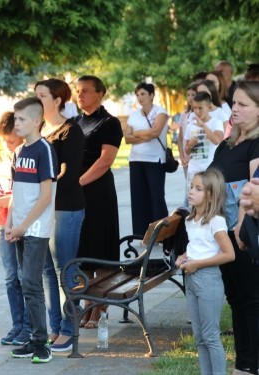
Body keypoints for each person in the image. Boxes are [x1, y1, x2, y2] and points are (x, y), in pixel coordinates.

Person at [209, 81, 259, 374]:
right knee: (237, 302)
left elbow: (253, 190)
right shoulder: (227, 144)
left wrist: (241, 228)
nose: (235, 109)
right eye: (234, 103)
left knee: (251, 301)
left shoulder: (256, 143)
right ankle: (243, 365)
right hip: (222, 234)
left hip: (242, 235)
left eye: (243, 104)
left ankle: (249, 366)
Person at [6, 97, 58, 363]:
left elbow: (46, 196)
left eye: (23, 119)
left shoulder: (44, 150)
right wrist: (9, 223)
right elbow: (16, 192)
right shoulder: (18, 152)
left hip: (36, 229)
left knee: (31, 284)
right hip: (20, 228)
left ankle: (42, 344)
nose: (17, 123)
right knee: (26, 283)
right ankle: (34, 339)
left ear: (37, 121)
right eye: (16, 119)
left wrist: (24, 226)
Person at [34, 78, 85, 351]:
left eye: (42, 95)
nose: (37, 100)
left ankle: (69, 329)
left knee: (64, 268)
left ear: (57, 100)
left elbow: (68, 173)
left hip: (66, 207)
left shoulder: (70, 131)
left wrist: (45, 196)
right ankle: (56, 329)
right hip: (44, 208)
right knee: (47, 272)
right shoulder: (38, 129)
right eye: (36, 95)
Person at [71, 75, 123, 328]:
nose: (80, 95)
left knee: (99, 247)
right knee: (83, 250)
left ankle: (99, 307)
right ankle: (87, 301)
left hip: (98, 190)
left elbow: (105, 161)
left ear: (100, 93)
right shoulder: (75, 122)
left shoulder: (109, 122)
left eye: (86, 91)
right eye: (78, 91)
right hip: (76, 193)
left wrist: (78, 182)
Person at [176, 169, 234, 375]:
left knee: (211, 337)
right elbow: (199, 246)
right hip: (191, 279)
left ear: (211, 195)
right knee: (199, 338)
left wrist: (198, 264)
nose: (191, 191)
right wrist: (184, 256)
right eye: (191, 186)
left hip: (208, 280)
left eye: (198, 189)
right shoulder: (190, 220)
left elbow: (229, 254)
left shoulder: (216, 221)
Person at [0, 111, 30, 346]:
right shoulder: (0, 158)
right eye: (3, 140)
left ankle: (28, 326)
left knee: (24, 276)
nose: (6, 145)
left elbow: (27, 193)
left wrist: (8, 200)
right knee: (10, 276)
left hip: (21, 223)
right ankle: (17, 324)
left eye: (11, 141)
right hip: (2, 222)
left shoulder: (25, 157)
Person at [125, 82, 169, 236]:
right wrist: (145, 134)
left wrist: (136, 133)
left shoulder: (160, 112)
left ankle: (161, 233)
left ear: (151, 95)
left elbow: (155, 132)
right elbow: (127, 138)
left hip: (155, 160)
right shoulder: (134, 114)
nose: (139, 97)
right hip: (136, 160)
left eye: (143, 94)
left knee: (156, 197)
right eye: (137, 95)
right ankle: (141, 233)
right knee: (138, 198)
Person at [184, 92, 224, 194]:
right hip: (193, 169)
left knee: (210, 199)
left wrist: (203, 126)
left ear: (209, 108)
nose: (197, 111)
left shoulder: (216, 122)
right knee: (193, 200)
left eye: (200, 108)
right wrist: (190, 145)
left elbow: (217, 140)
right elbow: (187, 151)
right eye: (195, 108)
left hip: (209, 169)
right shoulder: (190, 125)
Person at [177, 82, 199, 205]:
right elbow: (181, 138)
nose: (190, 97)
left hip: (195, 157)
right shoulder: (184, 115)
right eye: (188, 95)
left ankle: (186, 211)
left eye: (193, 94)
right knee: (188, 185)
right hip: (186, 158)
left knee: (192, 190)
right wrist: (181, 155)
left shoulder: (198, 115)